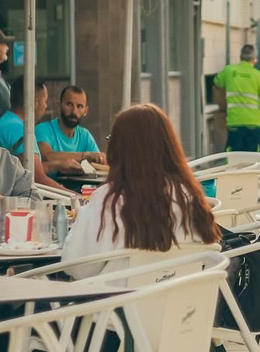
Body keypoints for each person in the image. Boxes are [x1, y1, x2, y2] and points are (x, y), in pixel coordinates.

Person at [62, 104, 220, 266]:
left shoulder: (110, 201)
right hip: (183, 282)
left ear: (120, 149)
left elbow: (77, 266)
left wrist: (82, 219)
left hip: (121, 283)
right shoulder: (187, 194)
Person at [0, 75, 66, 192]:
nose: (46, 106)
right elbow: (36, 178)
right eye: (45, 101)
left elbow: (20, 168)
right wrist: (76, 197)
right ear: (35, 102)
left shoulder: (3, 123)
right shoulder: (21, 129)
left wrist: (56, 165)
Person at [214, 44, 260, 153]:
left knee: (235, 155)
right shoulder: (259, 76)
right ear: (254, 59)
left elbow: (217, 82)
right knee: (253, 157)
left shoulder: (229, 71)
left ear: (240, 57)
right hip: (254, 123)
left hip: (234, 122)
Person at [35, 85, 106, 175]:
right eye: (69, 104)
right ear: (59, 105)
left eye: (79, 106)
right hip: (49, 184)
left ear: (85, 111)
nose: (74, 111)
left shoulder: (85, 135)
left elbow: (98, 162)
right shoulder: (42, 129)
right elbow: (48, 156)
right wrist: (85, 156)